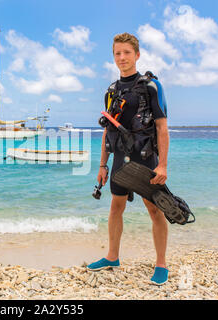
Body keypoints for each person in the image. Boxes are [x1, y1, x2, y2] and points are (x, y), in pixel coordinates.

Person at [87, 32, 170, 285]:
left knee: (155, 209)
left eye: (126, 53)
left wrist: (163, 164)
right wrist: (102, 164)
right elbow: (108, 129)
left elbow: (162, 128)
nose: (122, 58)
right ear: (113, 56)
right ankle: (112, 256)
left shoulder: (151, 87)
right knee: (115, 207)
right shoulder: (112, 90)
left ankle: (161, 263)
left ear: (137, 55)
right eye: (117, 53)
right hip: (120, 158)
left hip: (145, 158)